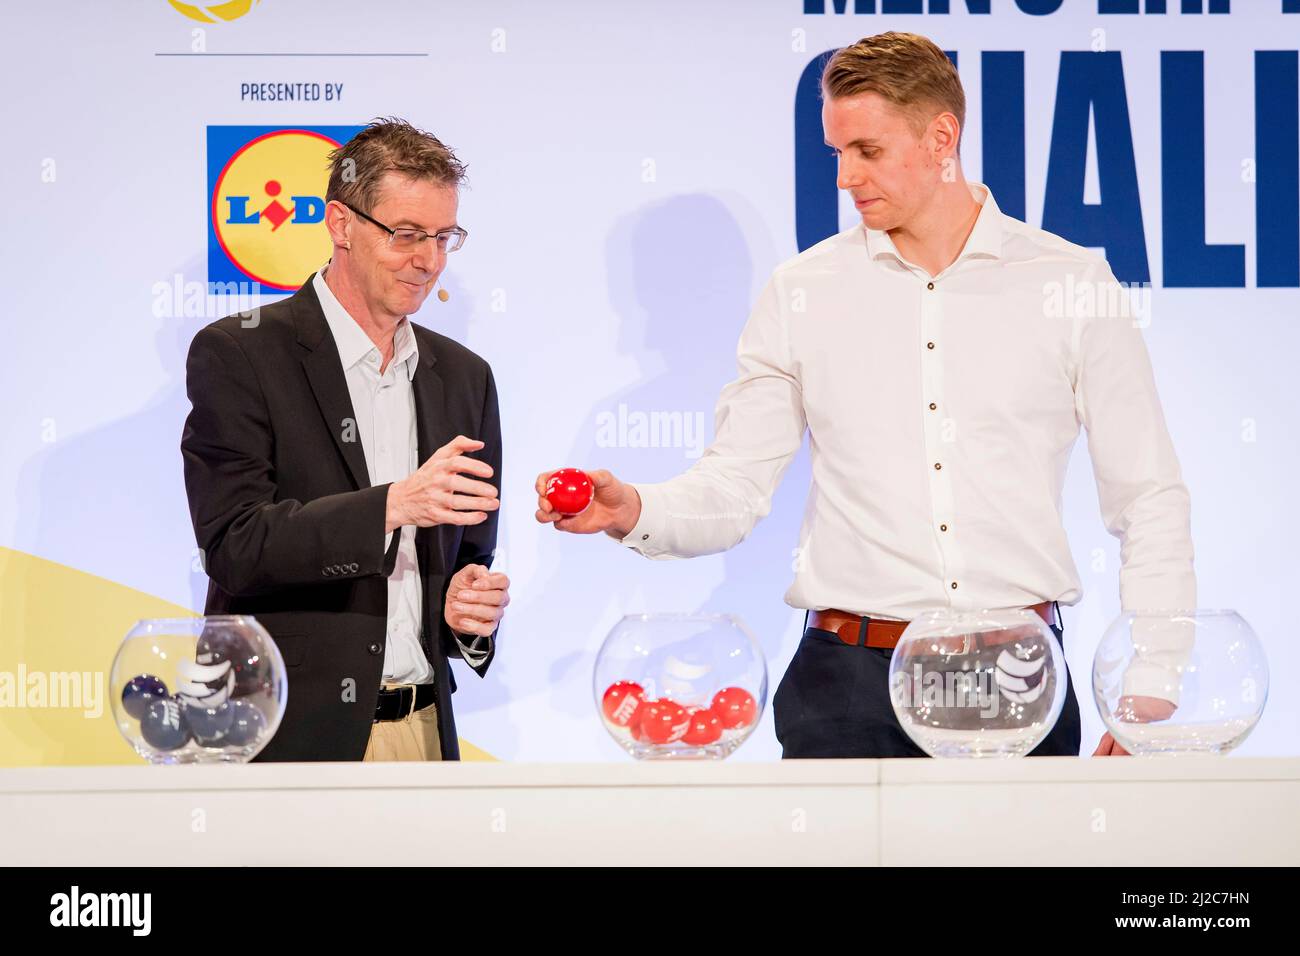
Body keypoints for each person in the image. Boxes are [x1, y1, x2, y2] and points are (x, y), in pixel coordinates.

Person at [534, 33, 1193, 758]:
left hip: (1016, 680)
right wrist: (636, 508)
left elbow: (1148, 496)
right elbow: (736, 484)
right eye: (837, 153)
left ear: (943, 136)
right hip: (846, 686)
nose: (845, 177)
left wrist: (1149, 690)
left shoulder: (1069, 284)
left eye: (868, 152)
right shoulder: (803, 291)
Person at [183, 118, 509, 762]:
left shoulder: (465, 377)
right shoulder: (240, 353)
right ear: (341, 224)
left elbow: (470, 555)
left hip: (420, 733)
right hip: (281, 736)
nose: (429, 259)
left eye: (444, 237)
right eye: (408, 234)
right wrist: (393, 505)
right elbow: (235, 546)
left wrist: (467, 614)